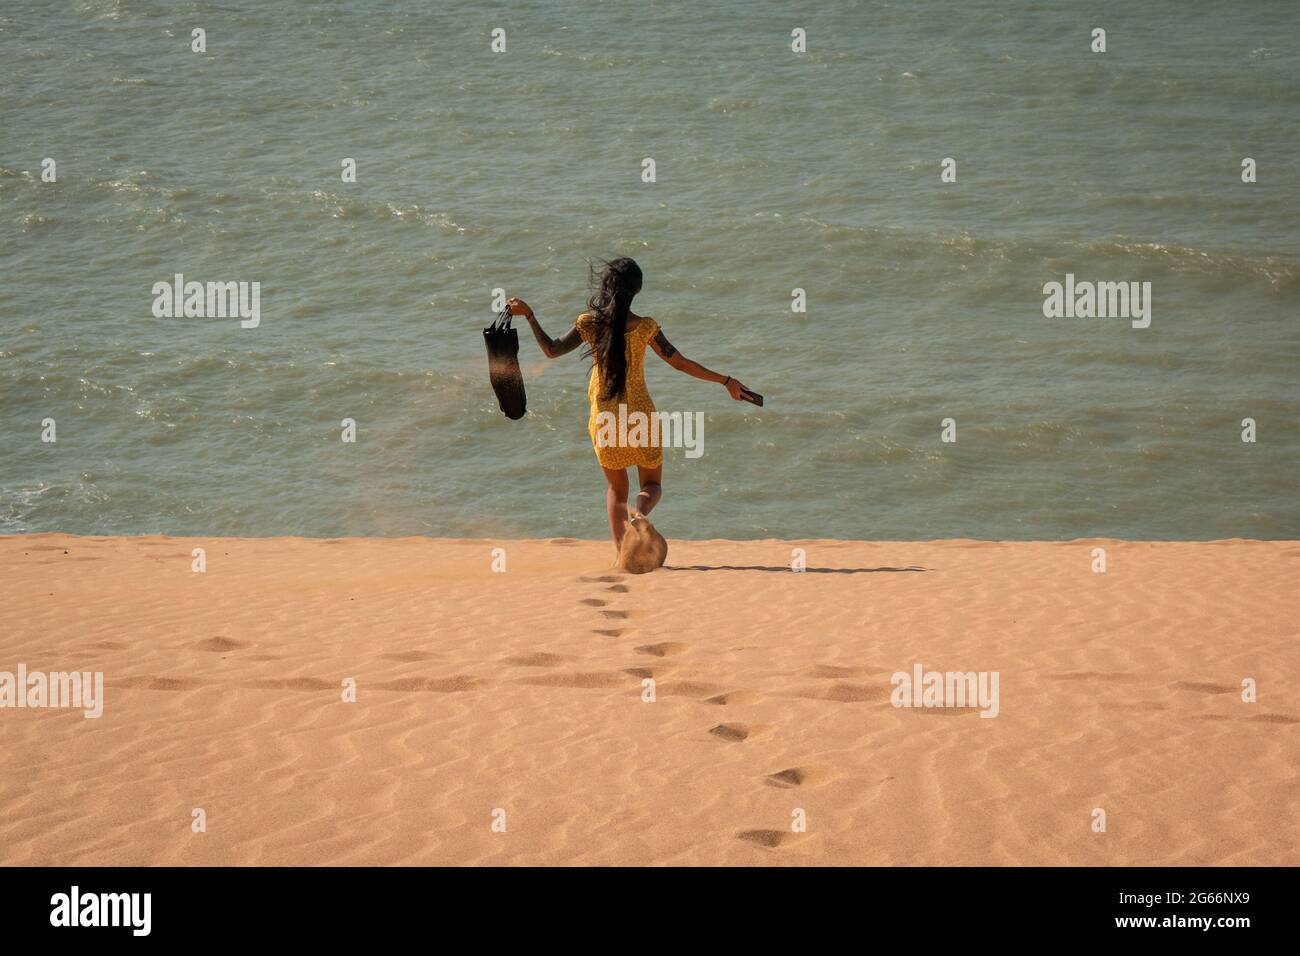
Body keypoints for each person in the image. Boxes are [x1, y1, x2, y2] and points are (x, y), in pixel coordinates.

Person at [508, 257, 752, 554]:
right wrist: (726, 381)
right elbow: (680, 363)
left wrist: (529, 315)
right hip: (640, 415)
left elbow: (551, 350)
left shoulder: (590, 324)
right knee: (652, 485)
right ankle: (639, 514)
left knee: (616, 489)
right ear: (637, 290)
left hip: (605, 415)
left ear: (607, 286)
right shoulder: (646, 327)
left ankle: (623, 554)